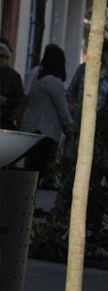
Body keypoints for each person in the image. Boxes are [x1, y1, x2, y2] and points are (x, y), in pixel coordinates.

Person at [20, 44, 74, 185]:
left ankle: (28, 204)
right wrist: (71, 126)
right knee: (38, 170)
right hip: (45, 131)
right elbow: (63, 109)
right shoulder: (54, 82)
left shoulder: (39, 79)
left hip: (32, 128)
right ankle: (28, 205)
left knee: (31, 171)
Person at [0, 41, 24, 130]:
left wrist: (5, 101)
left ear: (7, 58)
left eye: (1, 57)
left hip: (5, 119)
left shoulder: (14, 77)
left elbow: (20, 100)